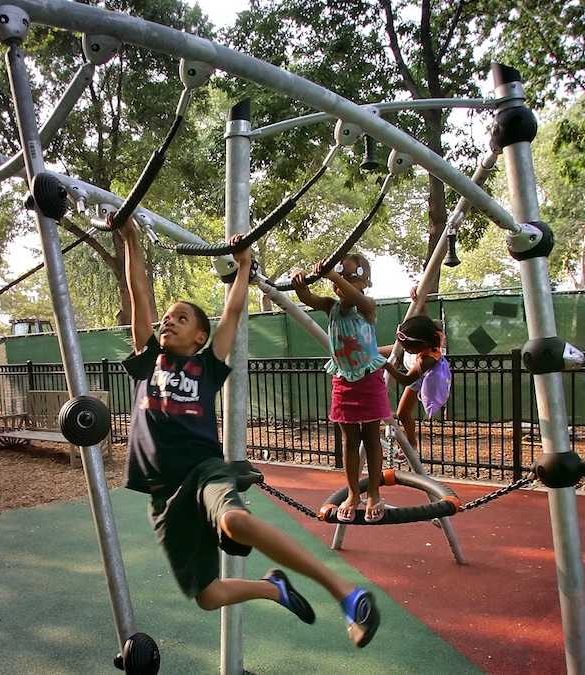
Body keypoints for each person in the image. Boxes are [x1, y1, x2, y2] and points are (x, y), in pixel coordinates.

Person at [118, 219, 380, 648]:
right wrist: (130, 237)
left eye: (180, 318)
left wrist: (243, 267)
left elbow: (233, 312)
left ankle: (347, 595)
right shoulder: (149, 360)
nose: (168, 323)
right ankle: (273, 588)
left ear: (200, 335)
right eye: (166, 319)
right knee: (207, 595)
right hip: (163, 493)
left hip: (203, 471)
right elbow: (139, 293)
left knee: (235, 520)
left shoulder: (207, 365)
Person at [291, 255, 401, 524]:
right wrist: (299, 285)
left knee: (372, 438)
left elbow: (357, 297)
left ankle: (373, 492)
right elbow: (308, 299)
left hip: (368, 378)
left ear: (366, 281)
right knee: (350, 441)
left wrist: (332, 275)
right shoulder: (331, 307)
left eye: (352, 277)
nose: (343, 282)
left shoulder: (367, 307)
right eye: (341, 277)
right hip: (343, 381)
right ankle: (354, 494)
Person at [381, 287, 451, 450]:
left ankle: (412, 444)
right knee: (374, 352)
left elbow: (406, 379)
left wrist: (386, 366)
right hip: (412, 360)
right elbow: (422, 319)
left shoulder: (427, 360)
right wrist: (418, 300)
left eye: (407, 347)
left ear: (420, 345)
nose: (403, 348)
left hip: (419, 377)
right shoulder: (427, 332)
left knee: (403, 413)